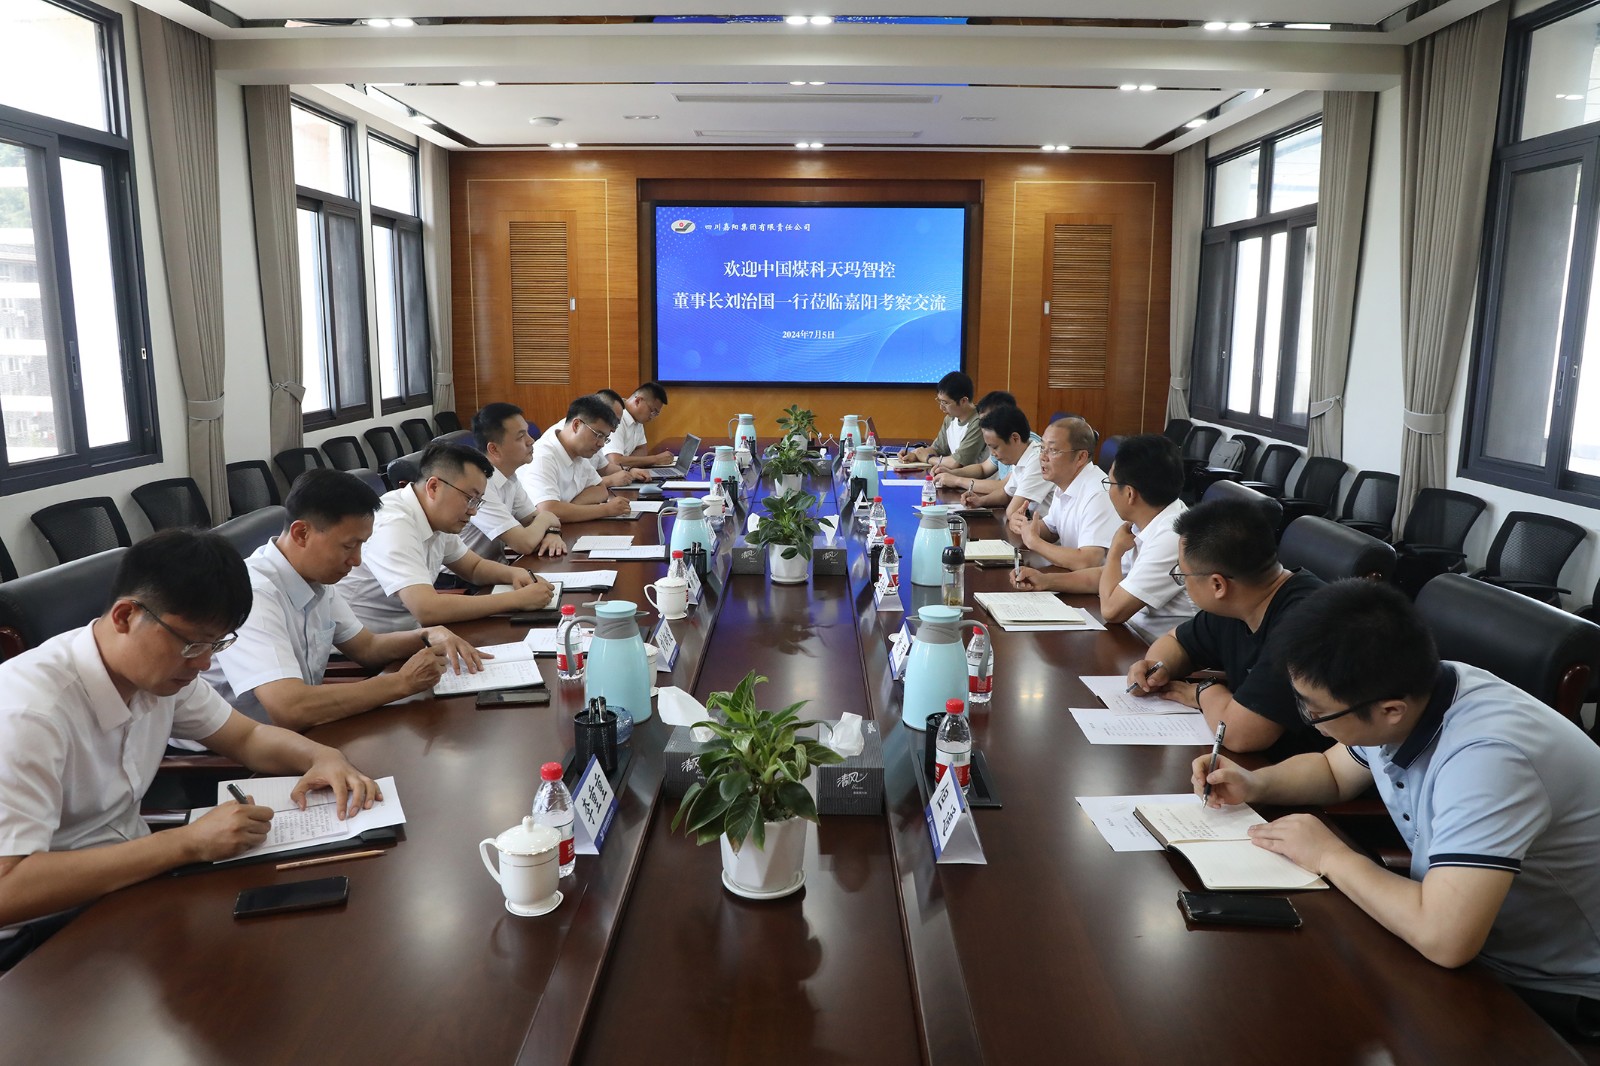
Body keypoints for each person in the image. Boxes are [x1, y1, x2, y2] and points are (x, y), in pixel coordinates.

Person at [1194, 580, 1600, 1039]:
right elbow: (1333, 772)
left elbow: (1445, 939)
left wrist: (1330, 855)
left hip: (1553, 988)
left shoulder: (1490, 758)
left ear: (1390, 710)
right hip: (1470, 939)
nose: (1312, 724)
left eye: (1317, 714)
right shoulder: (1414, 690)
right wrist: (1255, 783)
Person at [0, 530, 380, 955]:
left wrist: (322, 756)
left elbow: (248, 736)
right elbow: (7, 889)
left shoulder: (160, 674)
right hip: (40, 938)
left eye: (216, 644)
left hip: (131, 889)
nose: (203, 662)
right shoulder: (27, 713)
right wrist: (187, 843)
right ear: (125, 616)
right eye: (193, 643)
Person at [203, 469, 486, 732]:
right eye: (349, 546)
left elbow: (367, 647)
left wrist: (426, 636)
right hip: (232, 749)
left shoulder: (315, 577)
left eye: (362, 545)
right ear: (302, 533)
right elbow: (290, 708)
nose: (357, 560)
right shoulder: (255, 594)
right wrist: (402, 682)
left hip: (298, 729)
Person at [1124, 496, 1327, 757]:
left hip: (1302, 770)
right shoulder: (1243, 597)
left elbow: (1241, 735)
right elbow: (1175, 641)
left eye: (1182, 575)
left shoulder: (1303, 625)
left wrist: (1203, 692)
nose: (1183, 582)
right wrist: (1156, 668)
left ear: (1217, 585)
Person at [340, 441, 556, 633]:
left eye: (478, 501)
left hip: (413, 634)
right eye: (469, 498)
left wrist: (516, 573)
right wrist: (516, 600)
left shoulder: (436, 517)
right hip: (371, 650)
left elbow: (474, 568)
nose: (473, 511)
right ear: (434, 487)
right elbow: (427, 609)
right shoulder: (393, 524)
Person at [1012, 433, 1195, 639]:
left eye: (1111, 483)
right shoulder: (1150, 518)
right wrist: (1045, 581)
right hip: (1131, 635)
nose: (1108, 490)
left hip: (1151, 646)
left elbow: (1112, 610)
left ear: (1130, 494)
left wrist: (1115, 551)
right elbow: (1105, 575)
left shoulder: (1171, 537)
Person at [1007, 416, 1119, 575]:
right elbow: (1052, 530)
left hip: (1098, 586)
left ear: (1081, 457)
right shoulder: (1065, 483)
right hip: (1073, 577)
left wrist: (1035, 542)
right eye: (1042, 448)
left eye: (1053, 450)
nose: (1043, 457)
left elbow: (1088, 561)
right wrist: (1024, 525)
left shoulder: (1098, 495)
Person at [465, 402, 567, 559]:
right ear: (494, 449)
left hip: (496, 565)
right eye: (521, 436)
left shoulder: (509, 477)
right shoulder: (479, 485)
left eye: (527, 433)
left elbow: (533, 520)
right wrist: (546, 516)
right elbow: (524, 543)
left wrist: (552, 533)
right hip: (464, 574)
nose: (531, 440)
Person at [519, 394, 636, 523]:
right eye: (598, 435)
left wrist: (569, 507)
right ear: (576, 425)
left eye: (605, 438)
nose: (601, 444)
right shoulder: (543, 457)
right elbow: (548, 510)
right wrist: (606, 510)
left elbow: (601, 489)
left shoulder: (579, 453)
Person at [959, 405, 1050, 523]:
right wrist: (980, 501)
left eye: (995, 447)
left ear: (1015, 438)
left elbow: (1012, 511)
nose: (993, 454)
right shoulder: (1020, 456)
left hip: (1052, 531)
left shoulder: (1037, 459)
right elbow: (1006, 494)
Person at [932, 390, 1037, 492]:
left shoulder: (1026, 445)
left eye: (988, 420)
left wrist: (957, 481)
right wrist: (952, 473)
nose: (984, 426)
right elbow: (983, 469)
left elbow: (1005, 487)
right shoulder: (999, 441)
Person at [897, 370, 984, 468]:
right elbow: (937, 449)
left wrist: (928, 458)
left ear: (963, 401)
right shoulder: (949, 419)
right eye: (940, 401)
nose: (941, 407)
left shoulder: (979, 422)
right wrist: (914, 455)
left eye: (945, 403)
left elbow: (957, 463)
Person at [605, 381, 677, 470]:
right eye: (652, 411)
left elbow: (642, 450)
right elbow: (615, 461)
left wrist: (627, 462)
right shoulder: (617, 417)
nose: (652, 417)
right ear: (638, 401)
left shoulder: (638, 419)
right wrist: (655, 459)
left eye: (656, 414)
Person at [589, 390, 651, 483]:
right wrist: (610, 481)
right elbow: (578, 488)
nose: (614, 429)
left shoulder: (596, 434)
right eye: (614, 421)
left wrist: (630, 471)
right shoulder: (572, 444)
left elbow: (605, 468)